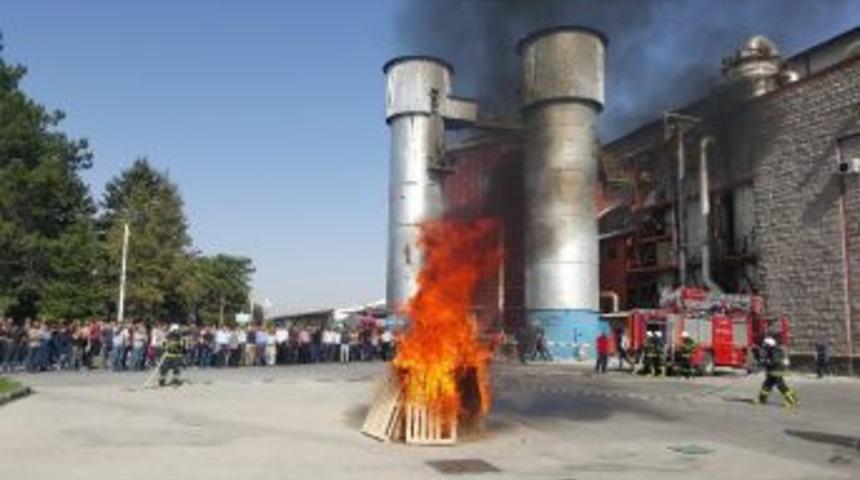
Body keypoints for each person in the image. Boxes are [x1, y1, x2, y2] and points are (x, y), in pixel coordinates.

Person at [757, 337, 798, 406]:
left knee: (781, 386)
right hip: (772, 371)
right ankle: (762, 400)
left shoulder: (776, 351)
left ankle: (792, 400)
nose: (764, 346)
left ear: (769, 344)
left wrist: (765, 361)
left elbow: (775, 361)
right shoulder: (770, 350)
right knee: (766, 385)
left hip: (777, 371)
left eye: (765, 344)